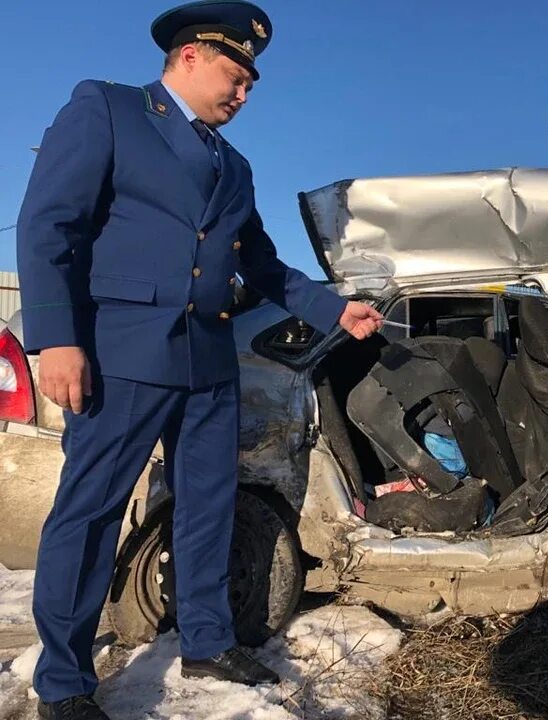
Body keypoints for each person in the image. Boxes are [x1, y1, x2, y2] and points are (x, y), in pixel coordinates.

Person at [15, 2, 383, 718]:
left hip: (209, 359)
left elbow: (265, 266)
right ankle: (63, 680)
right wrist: (57, 340)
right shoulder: (111, 111)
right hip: (120, 353)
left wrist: (334, 308)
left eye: (252, 82)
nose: (245, 92)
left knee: (210, 506)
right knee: (89, 513)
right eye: (235, 74)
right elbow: (47, 222)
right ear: (189, 56)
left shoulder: (233, 164)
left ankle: (207, 639)